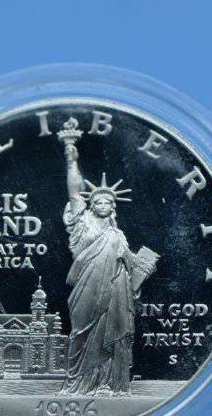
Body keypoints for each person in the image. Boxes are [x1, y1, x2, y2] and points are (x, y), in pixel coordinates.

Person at [58, 119, 156, 396]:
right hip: (86, 287)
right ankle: (75, 384)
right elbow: (74, 191)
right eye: (98, 201)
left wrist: (143, 267)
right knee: (80, 332)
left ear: (113, 207)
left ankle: (105, 383)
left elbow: (130, 263)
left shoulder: (118, 234)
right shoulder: (82, 223)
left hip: (114, 291)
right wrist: (71, 157)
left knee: (110, 332)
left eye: (108, 202)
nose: (104, 204)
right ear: (91, 204)